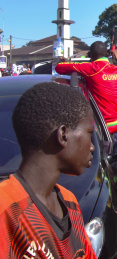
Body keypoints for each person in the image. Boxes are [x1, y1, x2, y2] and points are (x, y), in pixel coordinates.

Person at [0, 82, 97, 259]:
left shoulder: (69, 202)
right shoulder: (6, 209)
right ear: (63, 135)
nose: (92, 147)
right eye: (89, 132)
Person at [55, 40, 117, 134]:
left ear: (90, 54)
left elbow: (59, 67)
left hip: (103, 125)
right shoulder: (115, 69)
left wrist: (65, 61)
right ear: (106, 54)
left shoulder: (92, 68)